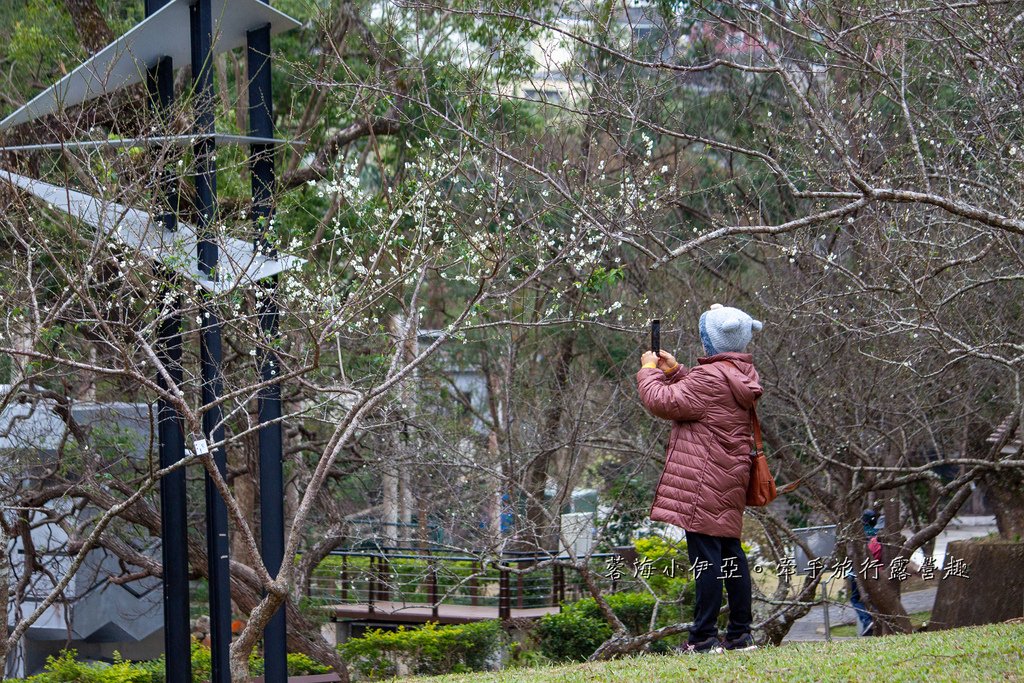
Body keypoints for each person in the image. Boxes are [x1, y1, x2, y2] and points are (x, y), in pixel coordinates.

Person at [637, 304, 764, 654]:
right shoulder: (738, 372)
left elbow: (663, 402)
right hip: (728, 478)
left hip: (703, 481)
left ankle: (704, 638)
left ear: (712, 340)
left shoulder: (711, 378)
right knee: (730, 555)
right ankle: (740, 635)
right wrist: (677, 370)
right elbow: (702, 401)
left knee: (707, 559)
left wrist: (650, 371)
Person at [848, 509, 883, 636]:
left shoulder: (857, 533)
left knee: (855, 599)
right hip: (875, 571)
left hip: (857, 571)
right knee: (872, 598)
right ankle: (876, 621)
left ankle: (867, 620)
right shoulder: (877, 534)